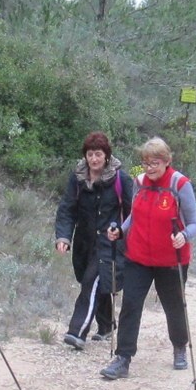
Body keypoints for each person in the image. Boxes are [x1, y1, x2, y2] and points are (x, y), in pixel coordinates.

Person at [100, 137, 196, 380]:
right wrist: (121, 231)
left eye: (155, 163)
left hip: (171, 260)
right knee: (131, 305)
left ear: (167, 161)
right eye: (146, 163)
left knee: (174, 306)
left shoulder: (180, 184)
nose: (149, 168)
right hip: (138, 257)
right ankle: (123, 358)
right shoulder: (139, 182)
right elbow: (133, 216)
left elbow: (195, 223)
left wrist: (184, 236)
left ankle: (179, 346)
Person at [54, 132, 133, 350]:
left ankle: (77, 332)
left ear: (107, 156)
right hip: (84, 242)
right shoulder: (78, 179)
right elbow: (67, 209)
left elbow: (132, 212)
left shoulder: (121, 179)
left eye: (98, 154)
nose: (94, 159)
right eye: (90, 154)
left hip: (110, 243)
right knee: (90, 280)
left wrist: (123, 234)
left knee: (91, 282)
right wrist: (63, 236)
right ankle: (107, 326)